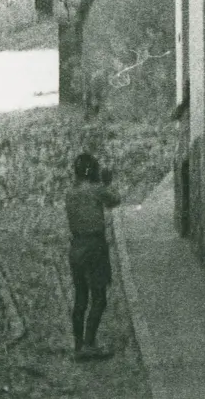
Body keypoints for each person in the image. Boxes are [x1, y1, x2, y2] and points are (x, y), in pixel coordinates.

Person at [64, 151, 120, 360]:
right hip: (94, 246)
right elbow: (115, 200)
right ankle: (90, 343)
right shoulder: (96, 189)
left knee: (80, 297)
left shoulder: (70, 192)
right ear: (92, 170)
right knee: (99, 298)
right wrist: (106, 182)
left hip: (76, 247)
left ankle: (78, 345)